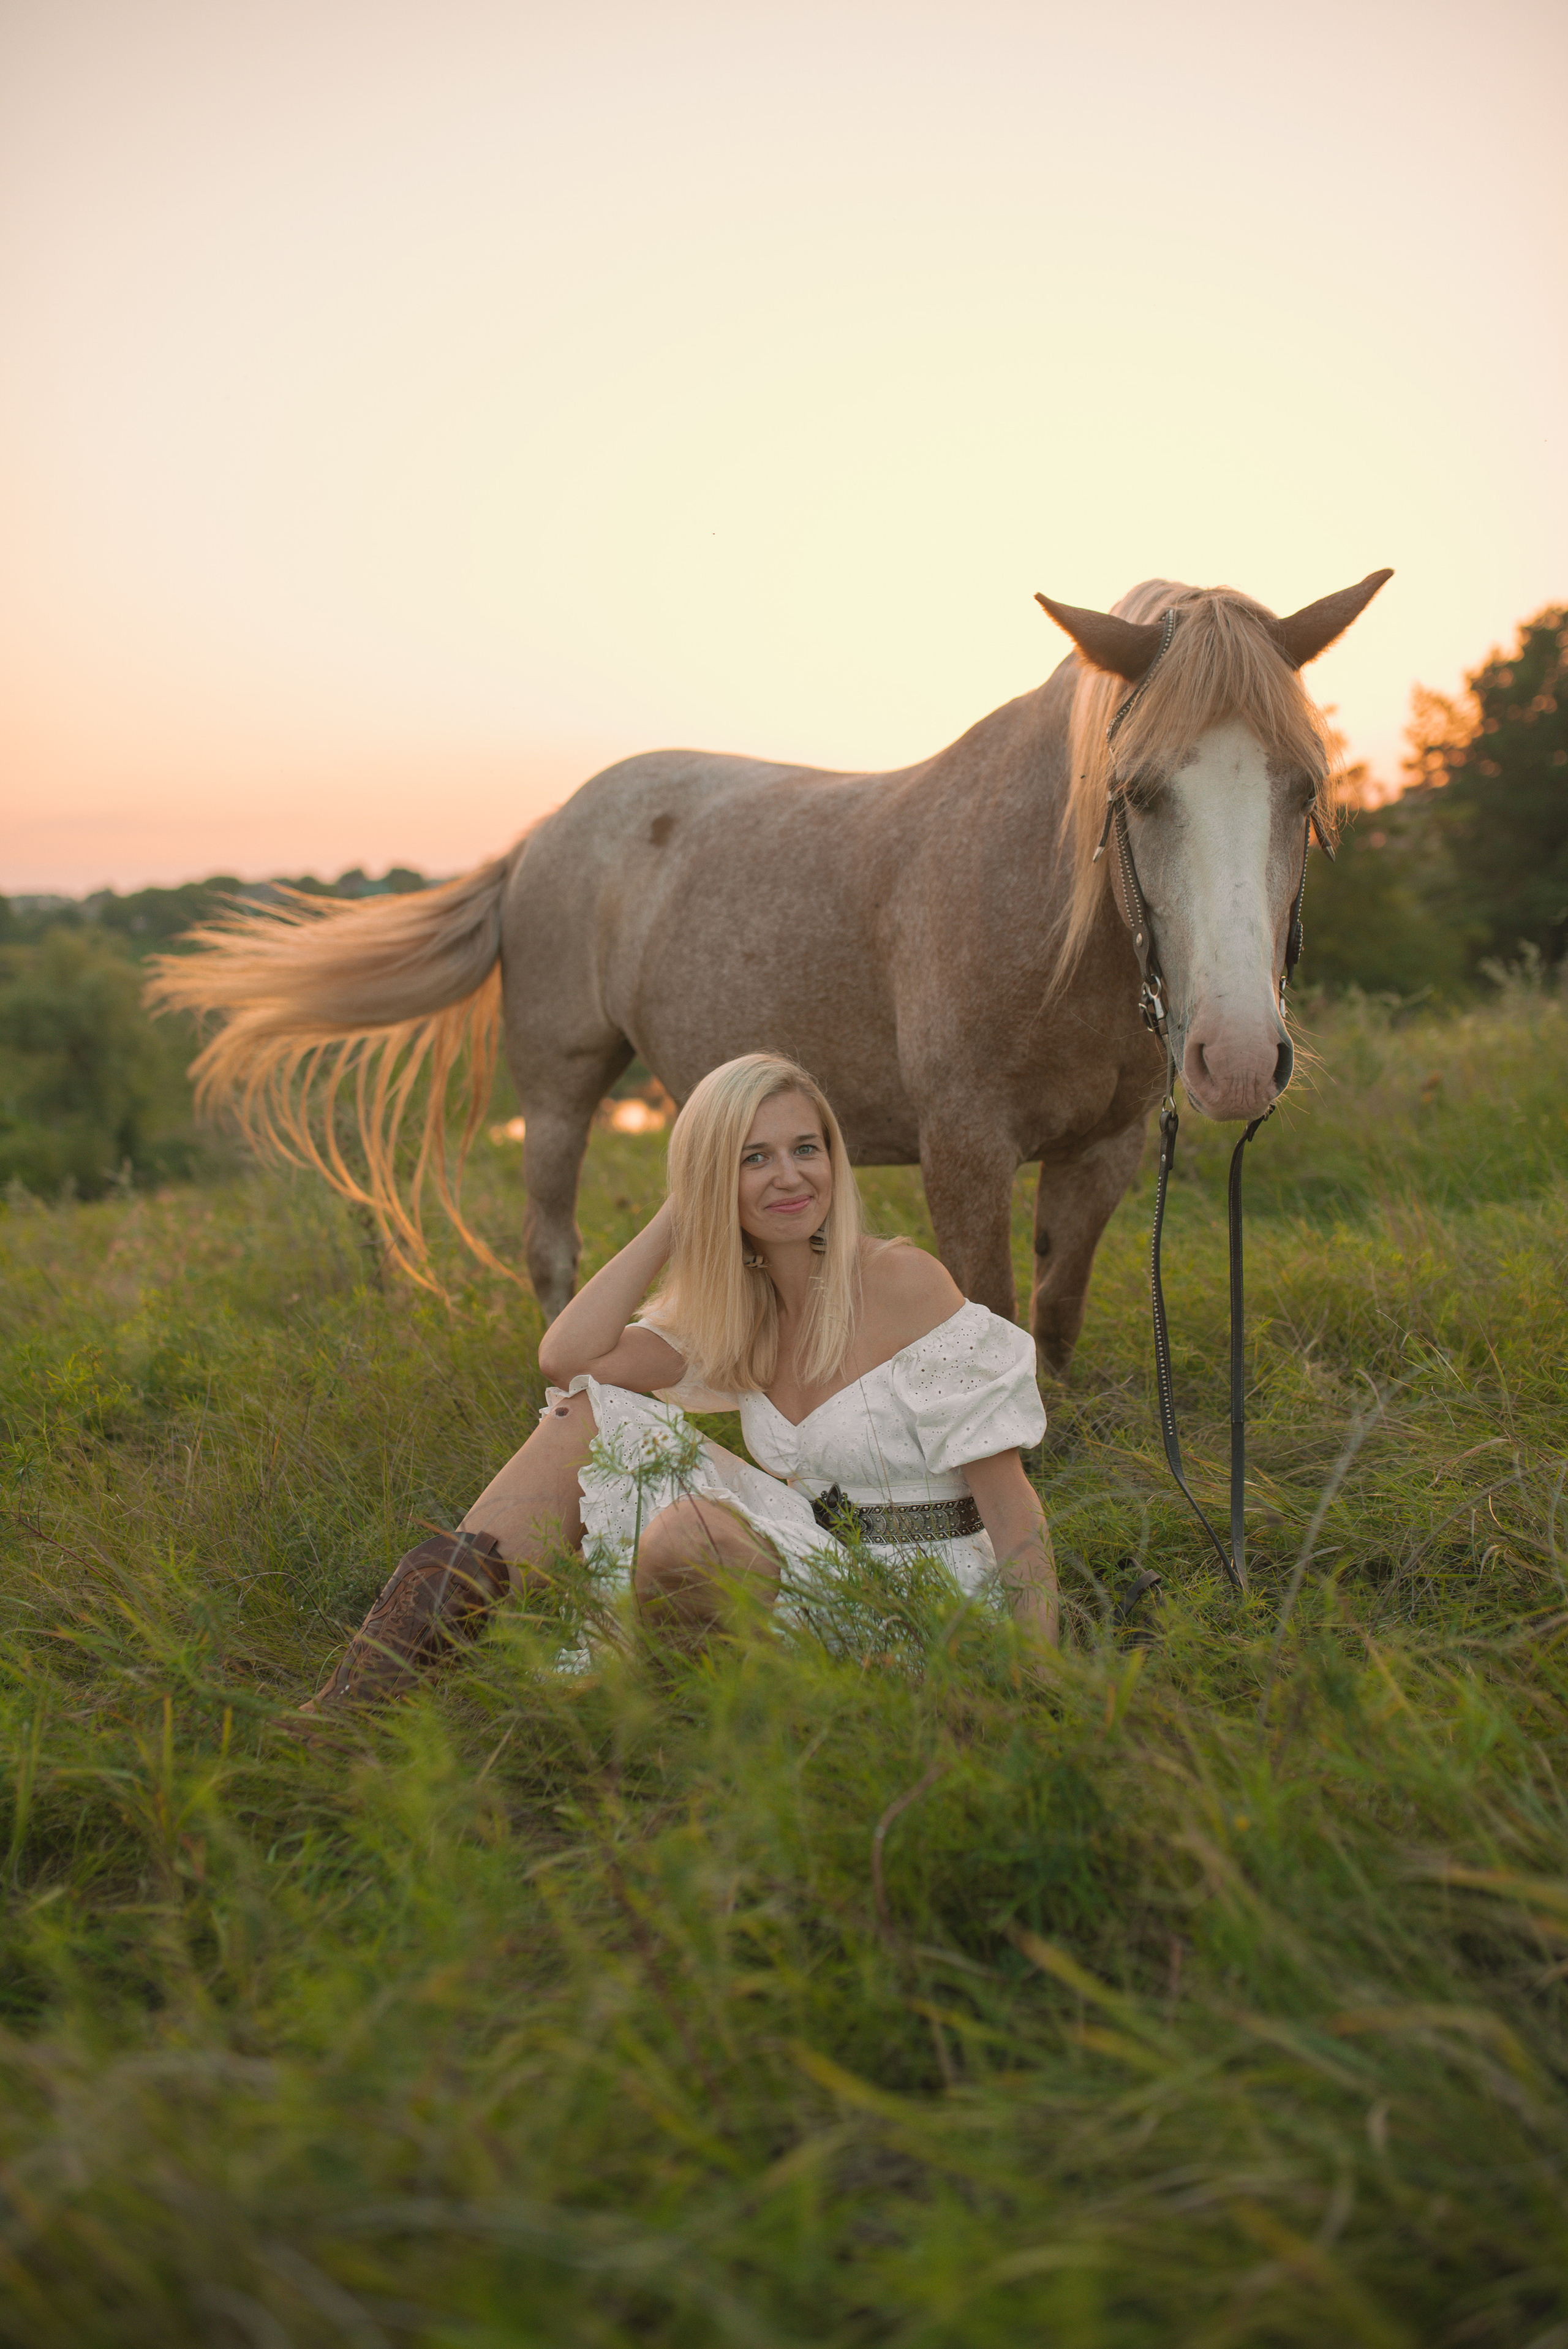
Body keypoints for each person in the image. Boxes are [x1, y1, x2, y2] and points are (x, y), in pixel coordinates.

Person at [306, 1053, 1056, 1711]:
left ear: (834, 1159)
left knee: (691, 1533)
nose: (790, 1176)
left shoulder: (902, 1282)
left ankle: (677, 1709)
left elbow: (1014, 1513)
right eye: (751, 1158)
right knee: (583, 1416)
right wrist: (679, 1212)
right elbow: (569, 1359)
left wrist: (1036, 1683)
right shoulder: (742, 1312)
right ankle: (372, 1691)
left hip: (925, 1595)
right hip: (818, 1556)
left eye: (806, 1149)